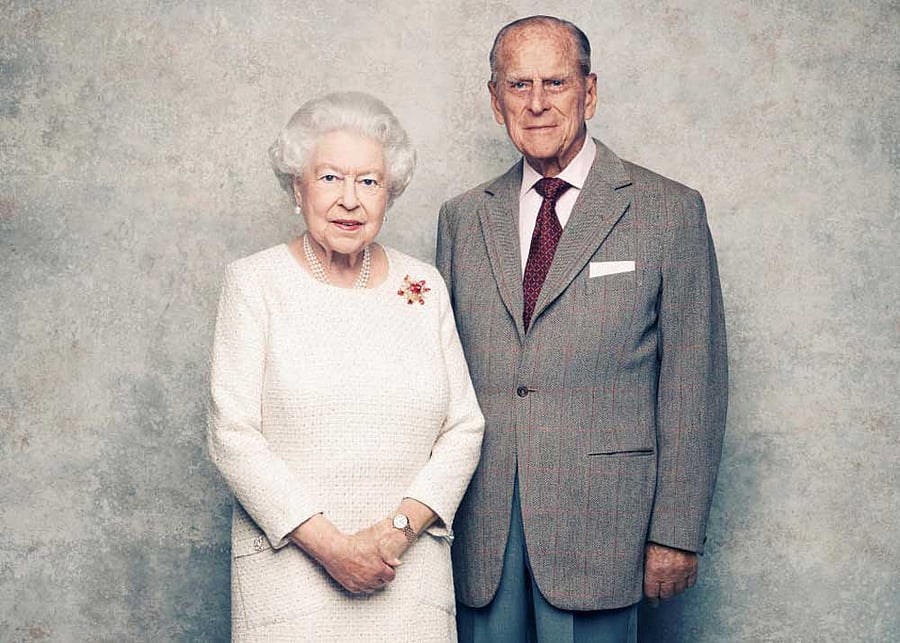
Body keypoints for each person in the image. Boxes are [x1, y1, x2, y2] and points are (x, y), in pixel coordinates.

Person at [436, 15, 728, 642]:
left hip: (604, 526)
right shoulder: (461, 218)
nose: (537, 104)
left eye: (555, 83)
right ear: (495, 101)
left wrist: (675, 531)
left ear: (588, 92)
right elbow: (439, 378)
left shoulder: (668, 211)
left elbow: (693, 385)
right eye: (518, 86)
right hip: (482, 525)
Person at [208, 91, 484, 642]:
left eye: (368, 182)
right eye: (330, 178)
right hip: (290, 579)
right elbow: (232, 437)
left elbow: (464, 427)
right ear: (298, 187)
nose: (349, 200)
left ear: (390, 194)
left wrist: (395, 533)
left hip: (407, 576)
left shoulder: (423, 286)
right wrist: (334, 550)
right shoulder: (255, 284)